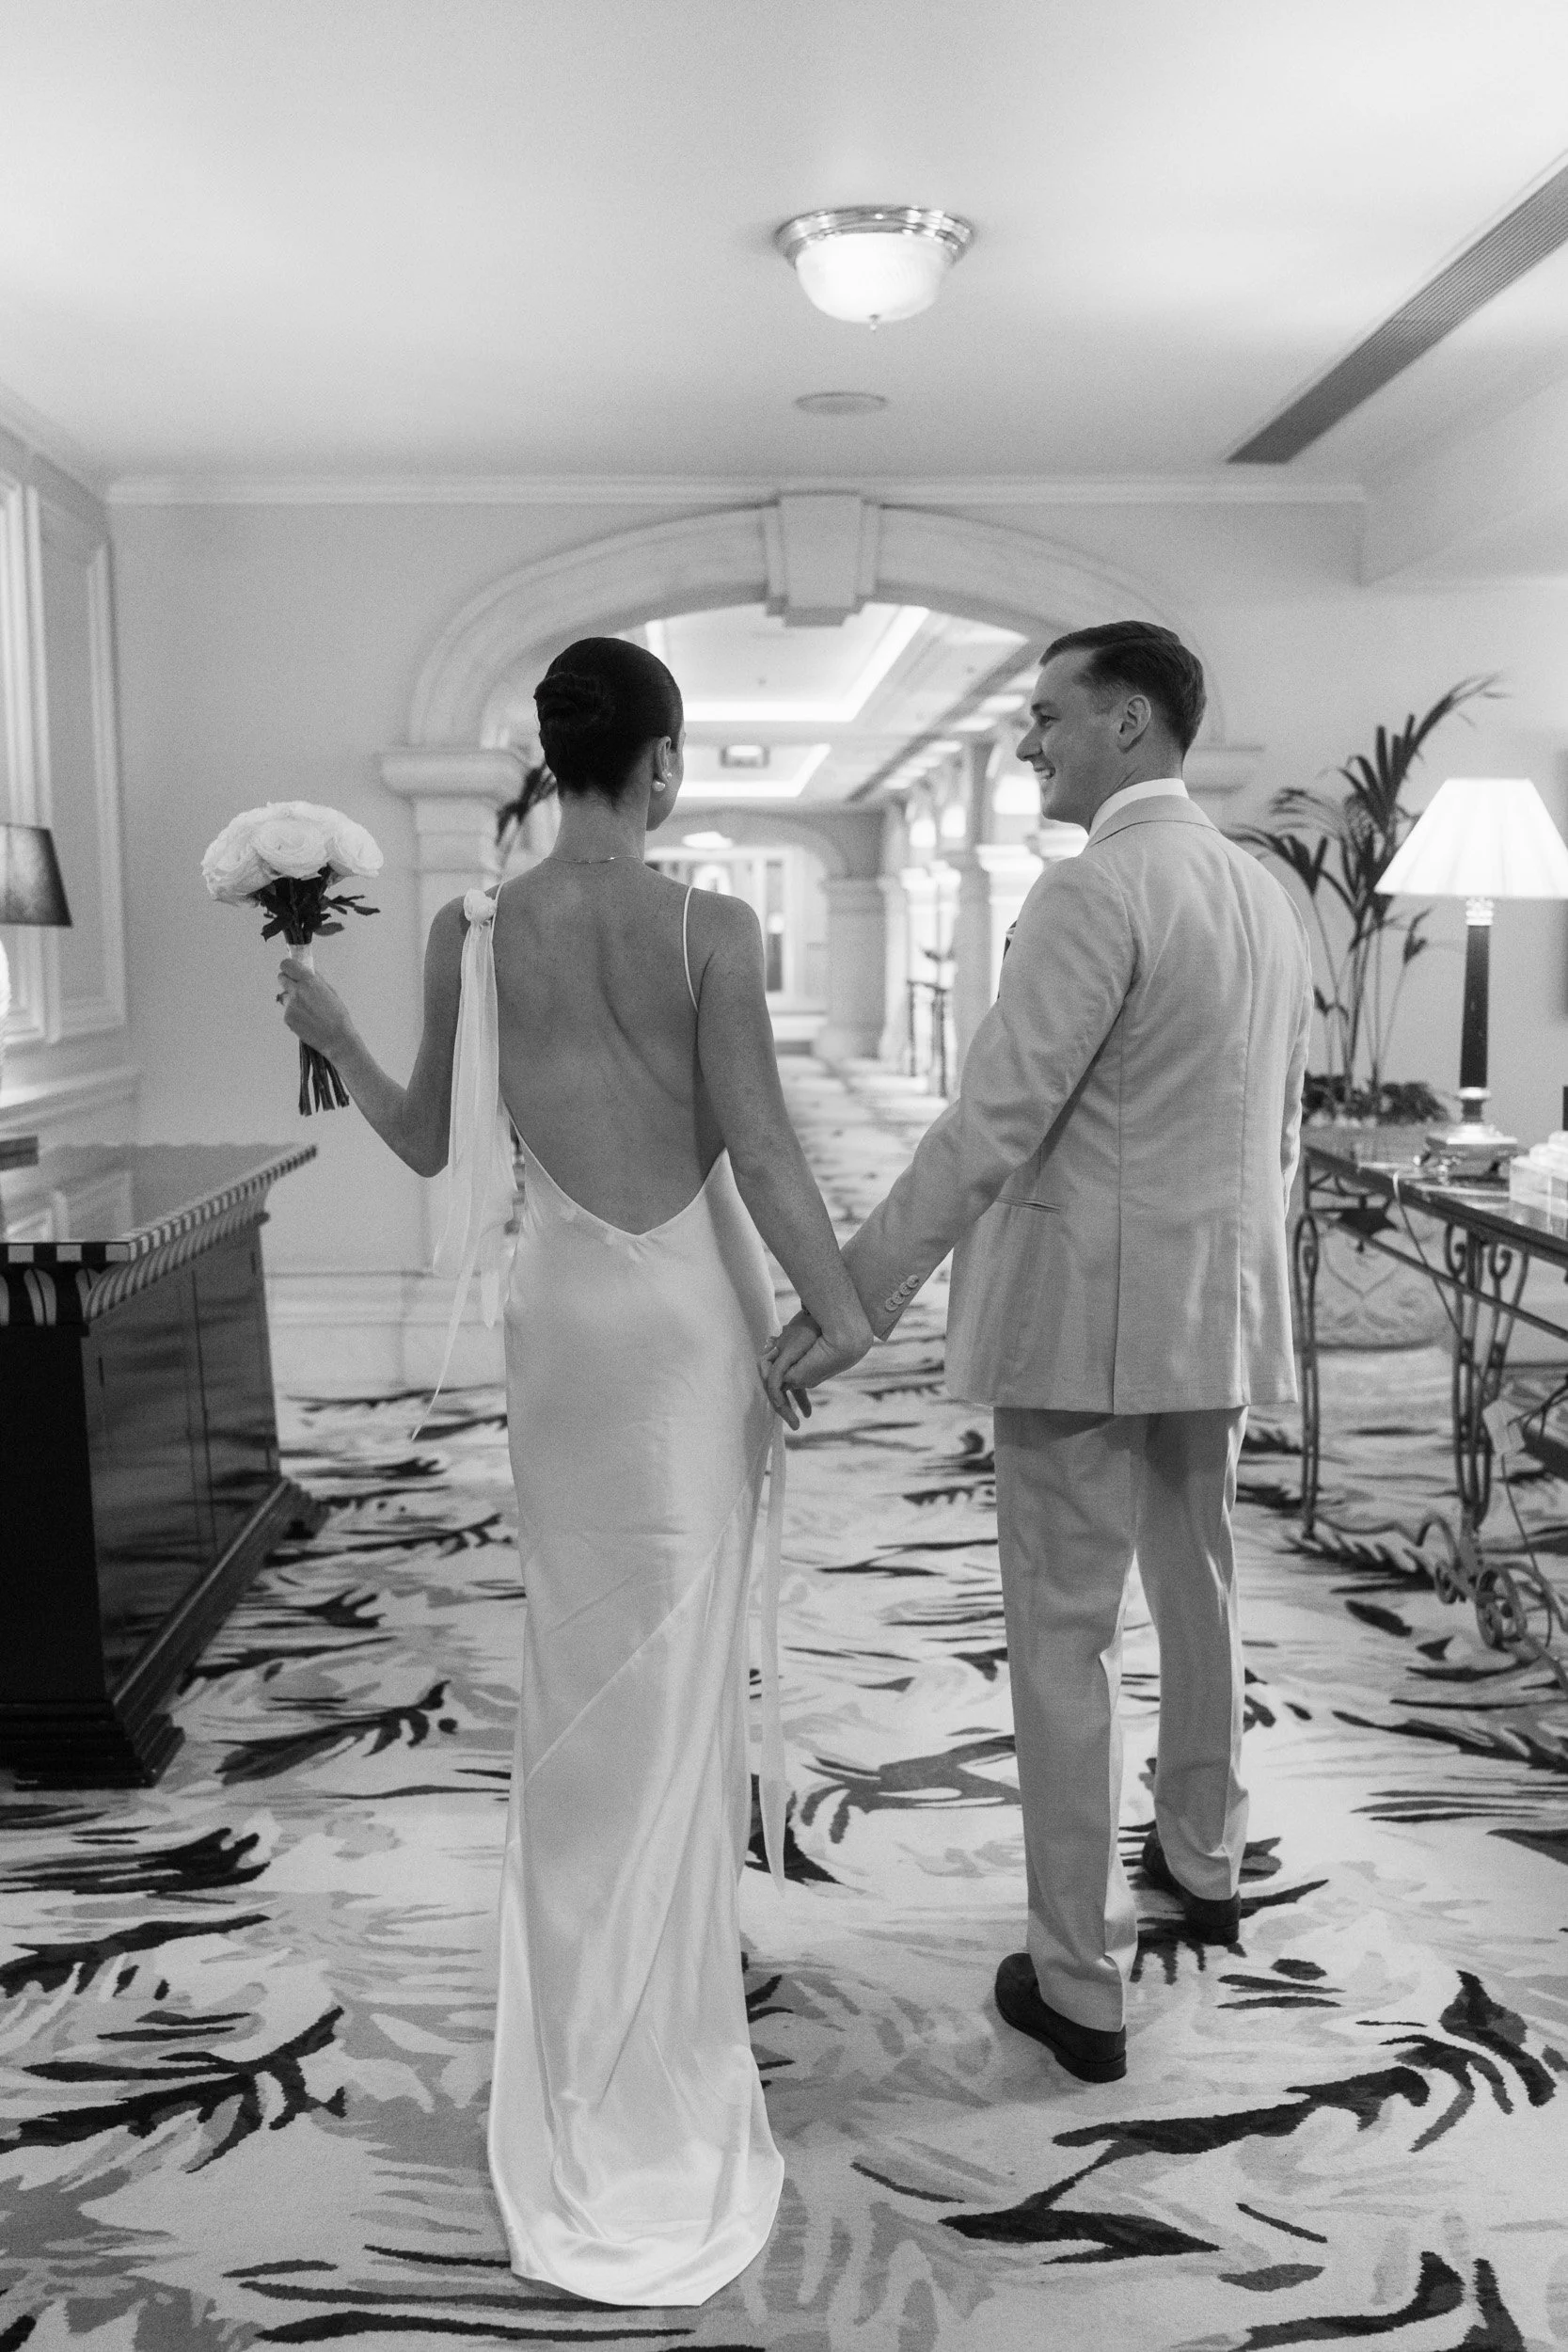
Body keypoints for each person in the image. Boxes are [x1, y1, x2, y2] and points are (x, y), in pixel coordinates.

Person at [278, 635, 871, 2305]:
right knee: (671, 1657)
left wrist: (322, 1018)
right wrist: (844, 1320)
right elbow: (761, 1145)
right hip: (682, 1324)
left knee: (577, 1644)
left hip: (563, 1323)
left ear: (554, 762)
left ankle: (598, 1977)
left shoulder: (481, 924)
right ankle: (659, 1980)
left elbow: (418, 1138)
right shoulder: (712, 926)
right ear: (664, 764)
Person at [767, 621, 1312, 2087]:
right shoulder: (1266, 895)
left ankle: (1075, 1981)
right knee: (1197, 1586)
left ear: (1126, 722)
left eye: (1046, 717)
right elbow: (1270, 1131)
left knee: (1063, 1641)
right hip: (1216, 1304)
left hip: (1083, 1320)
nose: (1027, 744)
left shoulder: (1095, 892)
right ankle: (1201, 1855)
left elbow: (988, 1127)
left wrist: (850, 1300)